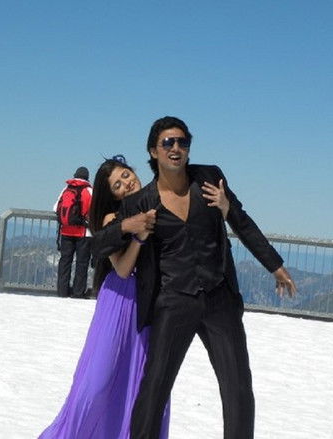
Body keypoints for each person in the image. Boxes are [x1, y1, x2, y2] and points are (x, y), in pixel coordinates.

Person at [93, 116, 297, 439]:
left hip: (219, 299)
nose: (176, 148)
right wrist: (129, 226)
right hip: (173, 303)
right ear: (153, 151)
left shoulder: (209, 178)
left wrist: (274, 264)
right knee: (153, 391)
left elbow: (242, 221)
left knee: (238, 389)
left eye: (182, 141)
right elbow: (99, 244)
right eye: (168, 142)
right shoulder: (139, 202)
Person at [42, 154, 210, 438]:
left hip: (151, 302)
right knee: (98, 381)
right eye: (116, 185)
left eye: (125, 175)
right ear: (112, 195)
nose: (125, 184)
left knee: (144, 383)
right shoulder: (112, 218)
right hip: (119, 300)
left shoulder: (158, 204)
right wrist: (138, 236)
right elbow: (121, 268)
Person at [53, 166, 93, 298]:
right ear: (87, 177)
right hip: (84, 233)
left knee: (65, 261)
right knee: (82, 263)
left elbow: (55, 208)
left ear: (75, 175)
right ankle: (78, 292)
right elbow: (94, 211)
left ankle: (62, 291)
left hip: (66, 231)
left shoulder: (66, 189)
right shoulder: (89, 190)